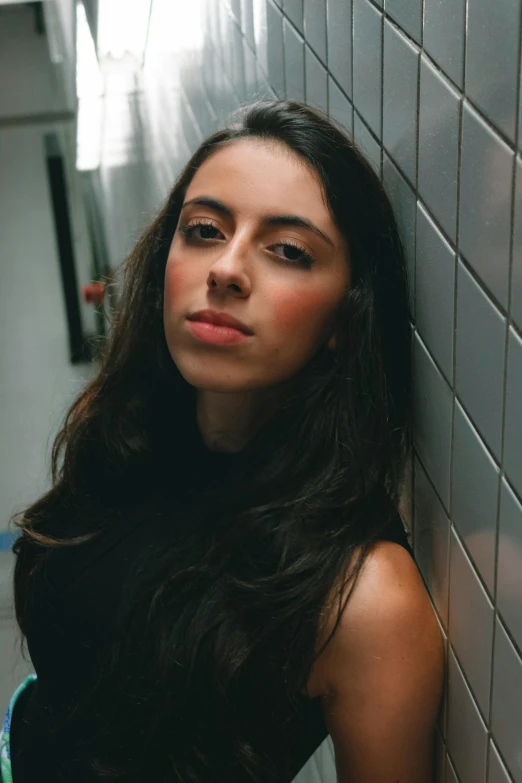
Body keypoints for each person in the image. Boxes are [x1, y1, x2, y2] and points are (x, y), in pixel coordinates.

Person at [3, 100, 444, 783]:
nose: (228, 269)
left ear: (345, 320)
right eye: (204, 230)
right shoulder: (128, 440)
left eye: (289, 251)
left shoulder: (362, 591)